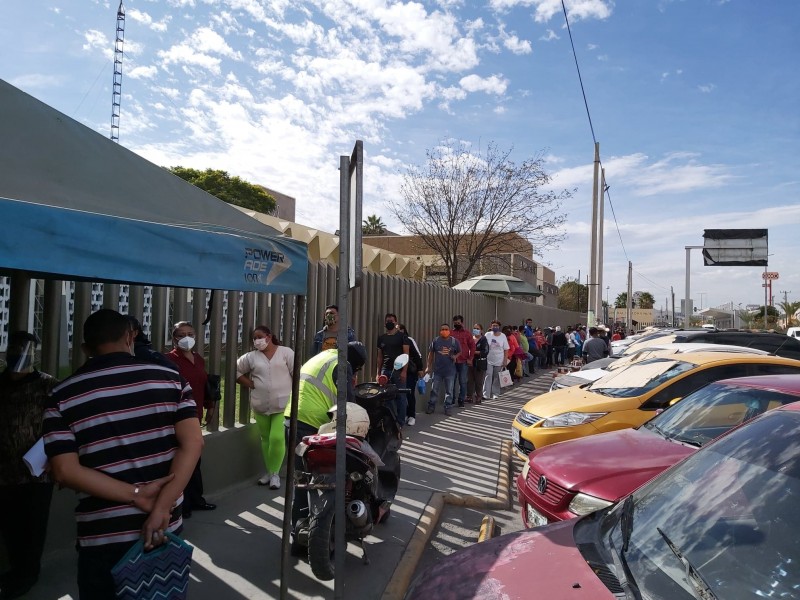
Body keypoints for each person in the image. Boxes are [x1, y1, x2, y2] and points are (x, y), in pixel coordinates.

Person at [42, 309, 203, 599]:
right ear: (131, 336)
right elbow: (193, 445)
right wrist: (162, 506)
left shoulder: (62, 395)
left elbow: (65, 471)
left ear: (85, 348)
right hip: (164, 527)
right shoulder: (171, 378)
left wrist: (136, 494)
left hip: (102, 535)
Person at [285, 341, 366, 532]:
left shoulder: (324, 356)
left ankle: (299, 530)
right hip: (313, 424)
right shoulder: (343, 364)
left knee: (301, 480)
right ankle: (328, 527)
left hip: (291, 418)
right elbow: (348, 403)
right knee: (335, 476)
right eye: (357, 369)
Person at [0, 332, 58, 599]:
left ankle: (27, 573)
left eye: (23, 349)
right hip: (4, 471)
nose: (17, 353)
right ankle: (15, 569)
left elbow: (61, 425)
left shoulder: (47, 386)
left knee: (32, 526)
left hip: (37, 473)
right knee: (10, 526)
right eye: (13, 348)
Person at [166, 321, 216, 518]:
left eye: (190, 333)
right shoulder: (168, 360)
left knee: (195, 461)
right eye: (181, 334)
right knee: (182, 461)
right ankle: (182, 504)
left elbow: (204, 384)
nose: (186, 337)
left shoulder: (198, 359)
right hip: (178, 418)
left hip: (195, 415)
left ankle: (196, 499)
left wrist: (210, 406)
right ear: (174, 338)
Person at [236, 326, 294, 489]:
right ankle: (270, 472)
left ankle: (274, 474)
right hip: (260, 404)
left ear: (269, 336)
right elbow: (236, 371)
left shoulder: (285, 352)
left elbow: (296, 373)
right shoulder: (251, 357)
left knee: (277, 438)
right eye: (254, 338)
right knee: (265, 439)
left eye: (259, 336)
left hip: (283, 404)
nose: (257, 341)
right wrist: (251, 384)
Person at [376, 313, 409, 429]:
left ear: (396, 322)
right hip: (385, 370)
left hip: (398, 371)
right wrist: (378, 373)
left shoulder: (402, 337)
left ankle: (400, 422)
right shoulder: (381, 338)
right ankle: (390, 420)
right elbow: (379, 357)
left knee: (401, 397)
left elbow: (406, 355)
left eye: (391, 320)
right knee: (385, 396)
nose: (389, 322)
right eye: (387, 321)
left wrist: (404, 371)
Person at [423, 323, 461, 416]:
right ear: (440, 331)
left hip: (450, 371)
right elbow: (431, 354)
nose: (444, 331)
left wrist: (455, 356)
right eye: (442, 329)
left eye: (446, 329)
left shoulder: (454, 341)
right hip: (437, 371)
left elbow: (460, 351)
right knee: (434, 390)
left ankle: (448, 407)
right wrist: (428, 366)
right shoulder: (436, 341)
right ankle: (431, 406)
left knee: (449, 391)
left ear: (449, 331)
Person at [398, 324, 424, 426]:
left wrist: (420, 368)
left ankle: (412, 415)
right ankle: (404, 414)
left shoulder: (409, 340)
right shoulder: (394, 341)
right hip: (398, 372)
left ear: (403, 330)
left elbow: (418, 355)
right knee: (400, 395)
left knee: (409, 393)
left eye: (399, 329)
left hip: (410, 372)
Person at [450, 315, 475, 407]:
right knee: (452, 381)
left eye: (458, 323)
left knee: (463, 381)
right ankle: (452, 400)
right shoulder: (450, 333)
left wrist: (470, 358)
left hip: (464, 361)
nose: (457, 324)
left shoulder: (467, 333)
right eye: (455, 323)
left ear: (462, 323)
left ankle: (461, 400)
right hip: (452, 362)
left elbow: (472, 346)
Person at [482, 320, 509, 400]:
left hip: (499, 360)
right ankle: (486, 394)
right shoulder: (488, 335)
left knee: (496, 377)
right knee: (488, 375)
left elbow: (506, 349)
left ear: (499, 327)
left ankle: (495, 393)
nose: (495, 327)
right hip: (489, 359)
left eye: (496, 326)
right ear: (491, 326)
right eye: (493, 325)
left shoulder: (503, 336)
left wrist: (505, 360)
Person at [467, 323, 488, 405]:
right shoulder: (470, 339)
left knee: (479, 381)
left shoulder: (483, 339)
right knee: (469, 380)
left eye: (478, 328)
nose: (476, 330)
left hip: (479, 363)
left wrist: (474, 352)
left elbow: (485, 352)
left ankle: (478, 396)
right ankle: (469, 396)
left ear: (481, 330)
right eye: (474, 328)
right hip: (470, 362)